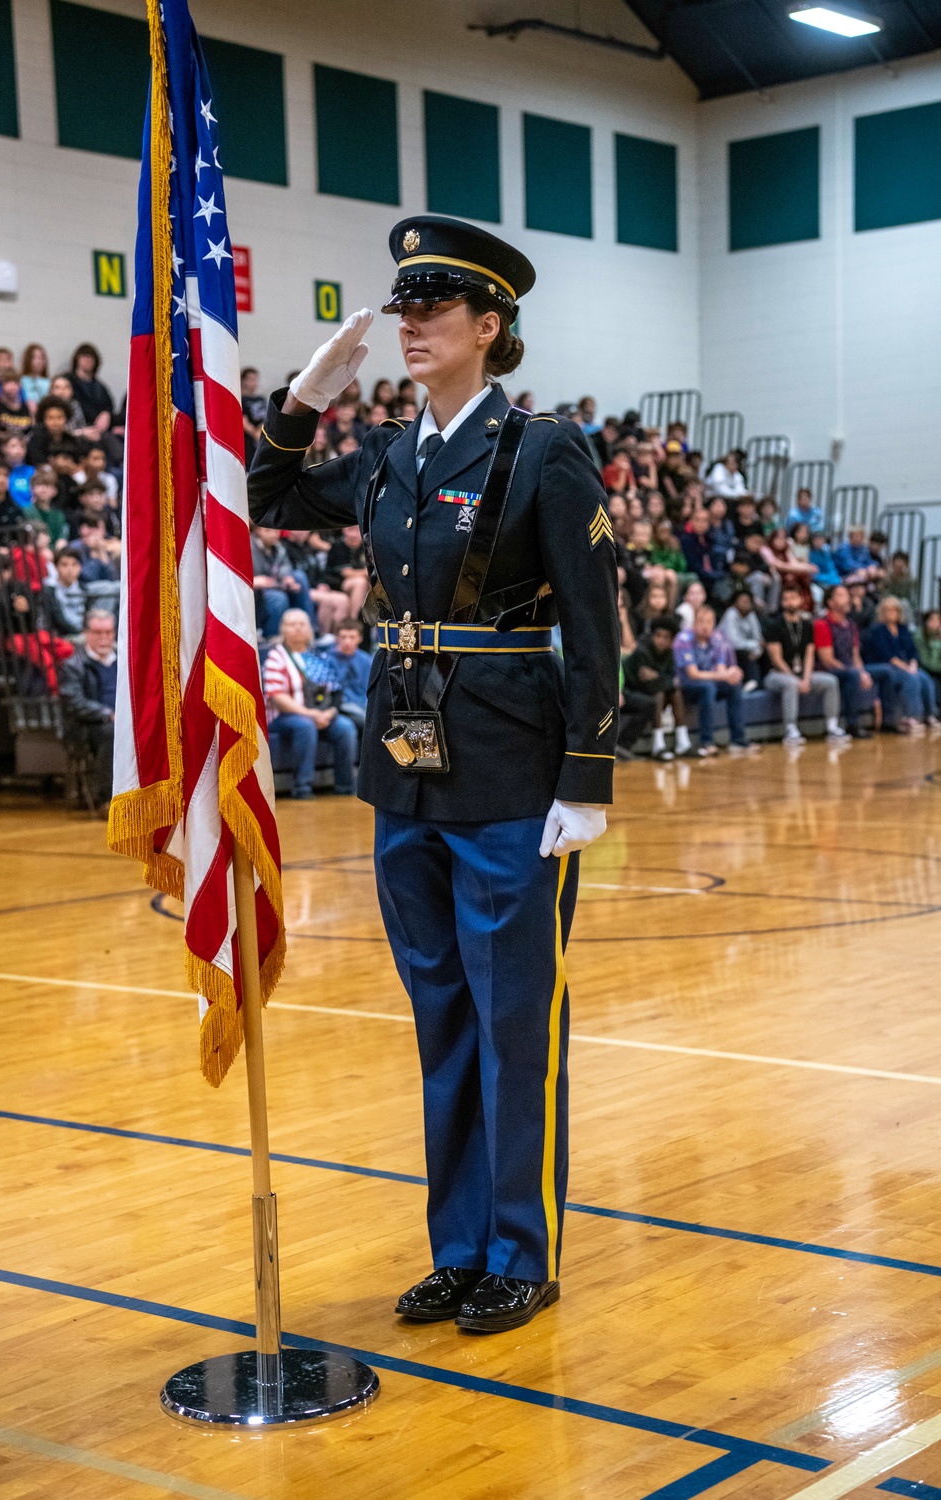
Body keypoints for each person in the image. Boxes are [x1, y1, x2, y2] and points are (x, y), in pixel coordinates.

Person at [248, 214, 618, 1334]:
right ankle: (457, 1248)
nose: (410, 323)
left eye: (434, 308)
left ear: (487, 326)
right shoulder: (388, 456)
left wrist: (586, 777)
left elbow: (599, 626)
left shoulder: (541, 450)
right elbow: (267, 496)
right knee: (441, 1017)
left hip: (510, 770)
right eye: (402, 307)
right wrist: (301, 403)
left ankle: (520, 1248)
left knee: (514, 1023)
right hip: (404, 772)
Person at [262, 608, 358, 797]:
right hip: (283, 716)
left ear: (309, 629)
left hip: (319, 713)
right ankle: (302, 787)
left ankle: (345, 786)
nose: (298, 628)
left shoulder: (318, 657)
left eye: (302, 624)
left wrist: (328, 713)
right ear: (283, 629)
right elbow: (276, 695)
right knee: (305, 726)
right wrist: (310, 714)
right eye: (292, 624)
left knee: (346, 727)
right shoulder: (276, 656)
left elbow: (335, 692)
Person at [763, 582, 849, 746]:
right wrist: (796, 679)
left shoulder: (808, 626)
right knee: (791, 684)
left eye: (793, 598)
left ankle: (832, 726)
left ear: (801, 601)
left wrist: (806, 678)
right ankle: (791, 729)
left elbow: (809, 655)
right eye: (786, 599)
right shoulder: (774, 625)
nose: (789, 602)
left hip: (802, 673)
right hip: (777, 674)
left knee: (830, 681)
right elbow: (776, 659)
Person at [674, 605, 757, 757]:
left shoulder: (718, 638)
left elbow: (720, 669)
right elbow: (693, 674)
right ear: (694, 623)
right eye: (701, 621)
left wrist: (732, 673)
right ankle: (706, 741)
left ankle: (738, 739)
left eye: (709, 622)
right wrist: (725, 675)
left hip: (710, 682)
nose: (705, 626)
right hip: (686, 687)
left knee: (733, 686)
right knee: (708, 687)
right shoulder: (683, 639)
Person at [57, 608, 117, 810]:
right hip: (86, 726)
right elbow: (74, 702)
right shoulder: (73, 665)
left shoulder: (123, 661)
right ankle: (107, 798)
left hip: (121, 721)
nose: (104, 638)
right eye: (98, 633)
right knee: (113, 732)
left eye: (108, 633)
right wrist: (108, 714)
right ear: (86, 634)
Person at [862, 596, 939, 734]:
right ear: (882, 612)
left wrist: (913, 664)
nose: (891, 613)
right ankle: (911, 717)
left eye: (894, 610)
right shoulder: (877, 630)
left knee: (925, 678)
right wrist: (907, 668)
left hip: (904, 665)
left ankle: (930, 714)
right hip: (884, 664)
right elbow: (886, 655)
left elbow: (912, 651)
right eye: (888, 610)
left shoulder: (903, 629)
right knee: (911, 678)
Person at [622, 614, 691, 759]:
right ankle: (657, 745)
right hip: (629, 691)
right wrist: (664, 680)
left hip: (650, 691)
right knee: (658, 694)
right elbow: (648, 685)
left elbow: (672, 680)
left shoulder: (669, 654)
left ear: (671, 640)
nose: (661, 640)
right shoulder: (642, 652)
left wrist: (658, 677)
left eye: (666, 637)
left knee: (675, 692)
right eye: (658, 635)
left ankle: (683, 743)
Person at [813, 584, 874, 738]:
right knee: (853, 677)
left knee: (885, 673)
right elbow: (827, 660)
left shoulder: (851, 625)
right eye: (841, 595)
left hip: (849, 670)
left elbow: (856, 656)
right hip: (827, 670)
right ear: (830, 602)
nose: (847, 599)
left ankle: (890, 721)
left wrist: (862, 672)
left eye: (847, 595)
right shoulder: (822, 624)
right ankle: (852, 724)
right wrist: (854, 672)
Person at [324, 616, 373, 731]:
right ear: (337, 638)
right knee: (365, 722)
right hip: (340, 706)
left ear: (360, 638)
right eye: (343, 637)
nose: (347, 641)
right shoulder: (327, 659)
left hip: (362, 704)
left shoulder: (366, 660)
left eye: (352, 637)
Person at [718, 590, 765, 688]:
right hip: (724, 650)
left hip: (745, 648)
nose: (746, 603)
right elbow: (733, 642)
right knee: (744, 653)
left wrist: (757, 651)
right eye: (743, 601)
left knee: (765, 652)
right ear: (735, 604)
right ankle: (751, 682)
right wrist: (755, 645)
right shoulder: (731, 613)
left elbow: (758, 638)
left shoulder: (751, 615)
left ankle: (761, 683)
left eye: (748, 601)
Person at [914, 610, 941, 699]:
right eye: (933, 620)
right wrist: (938, 643)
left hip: (937, 671)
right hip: (925, 670)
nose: (936, 624)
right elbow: (928, 662)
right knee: (933, 683)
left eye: (938, 621)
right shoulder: (920, 636)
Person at [20, 343, 50, 410]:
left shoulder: (49, 382)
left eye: (41, 358)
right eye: (34, 358)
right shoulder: (21, 380)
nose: (38, 361)